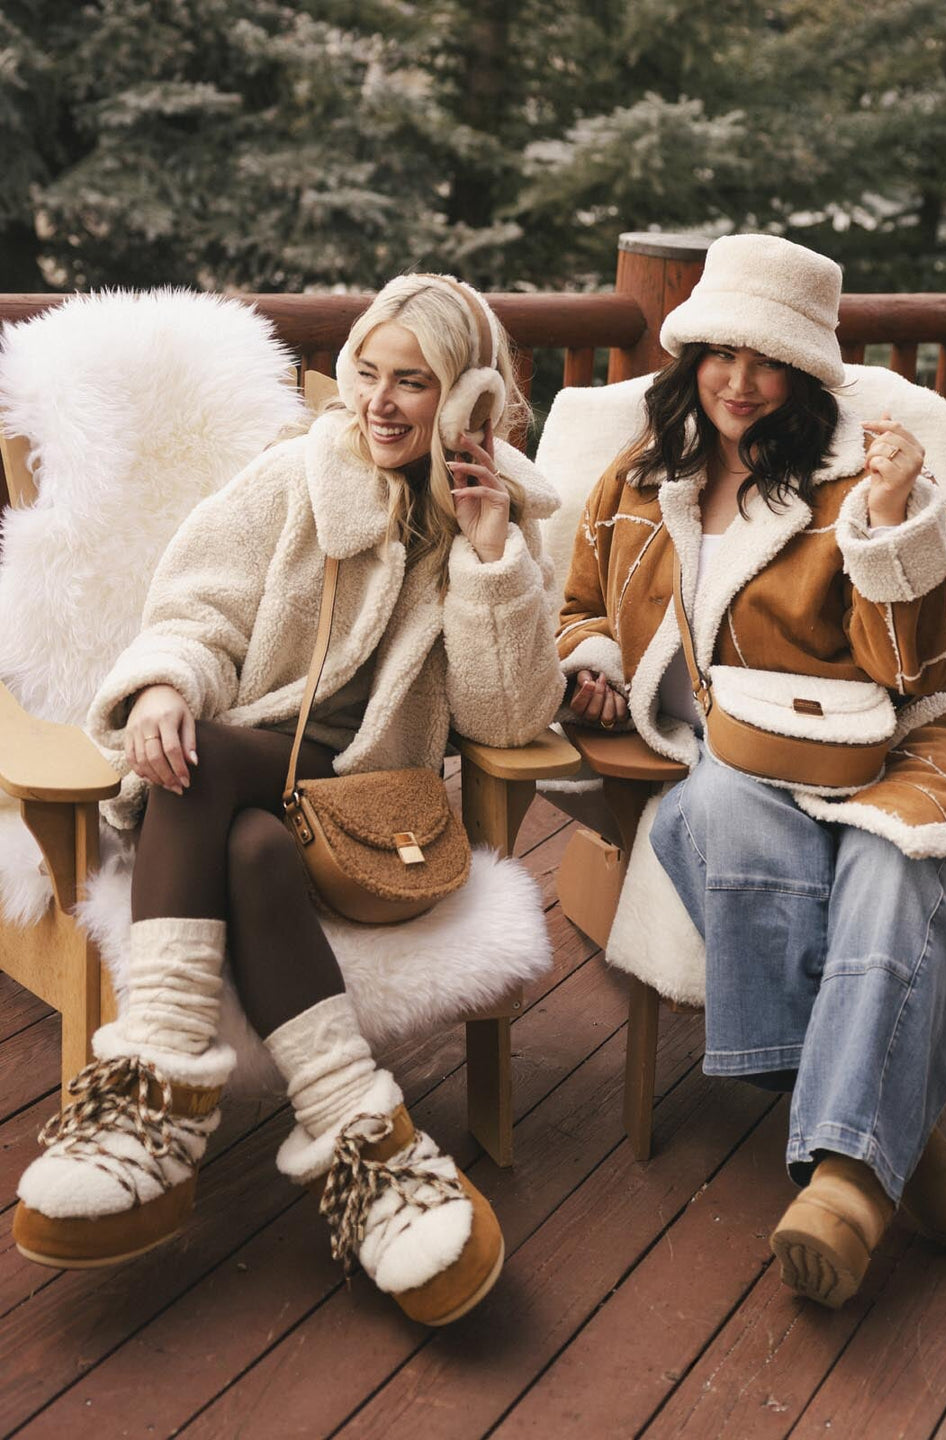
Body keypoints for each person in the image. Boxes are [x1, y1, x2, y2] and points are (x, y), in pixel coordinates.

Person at [13, 273, 565, 1327]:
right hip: (254, 787)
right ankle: (372, 1150)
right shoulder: (292, 480)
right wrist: (171, 684)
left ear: (466, 399)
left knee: (209, 774)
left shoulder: (492, 521)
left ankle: (157, 1099)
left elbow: (504, 719)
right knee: (242, 828)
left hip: (378, 816)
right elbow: (198, 609)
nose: (381, 402)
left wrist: (492, 558)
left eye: (415, 382)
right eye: (366, 372)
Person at [556, 234, 946, 1309]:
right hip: (742, 766)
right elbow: (582, 606)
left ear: (809, 372)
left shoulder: (859, 479)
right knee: (712, 807)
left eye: (767, 360)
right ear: (692, 356)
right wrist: (590, 664)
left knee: (891, 857)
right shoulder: (639, 483)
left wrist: (891, 526)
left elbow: (931, 666)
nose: (738, 380)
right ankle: (895, 1144)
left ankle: (849, 1186)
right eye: (721, 352)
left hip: (902, 751)